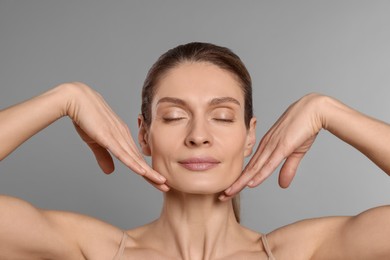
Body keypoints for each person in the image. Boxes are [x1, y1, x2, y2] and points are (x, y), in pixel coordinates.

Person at [0, 42, 389, 260]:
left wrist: (328, 111)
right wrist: (63, 98)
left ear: (249, 135)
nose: (198, 136)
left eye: (221, 116)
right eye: (172, 116)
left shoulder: (303, 253)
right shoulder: (93, 251)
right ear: (145, 135)